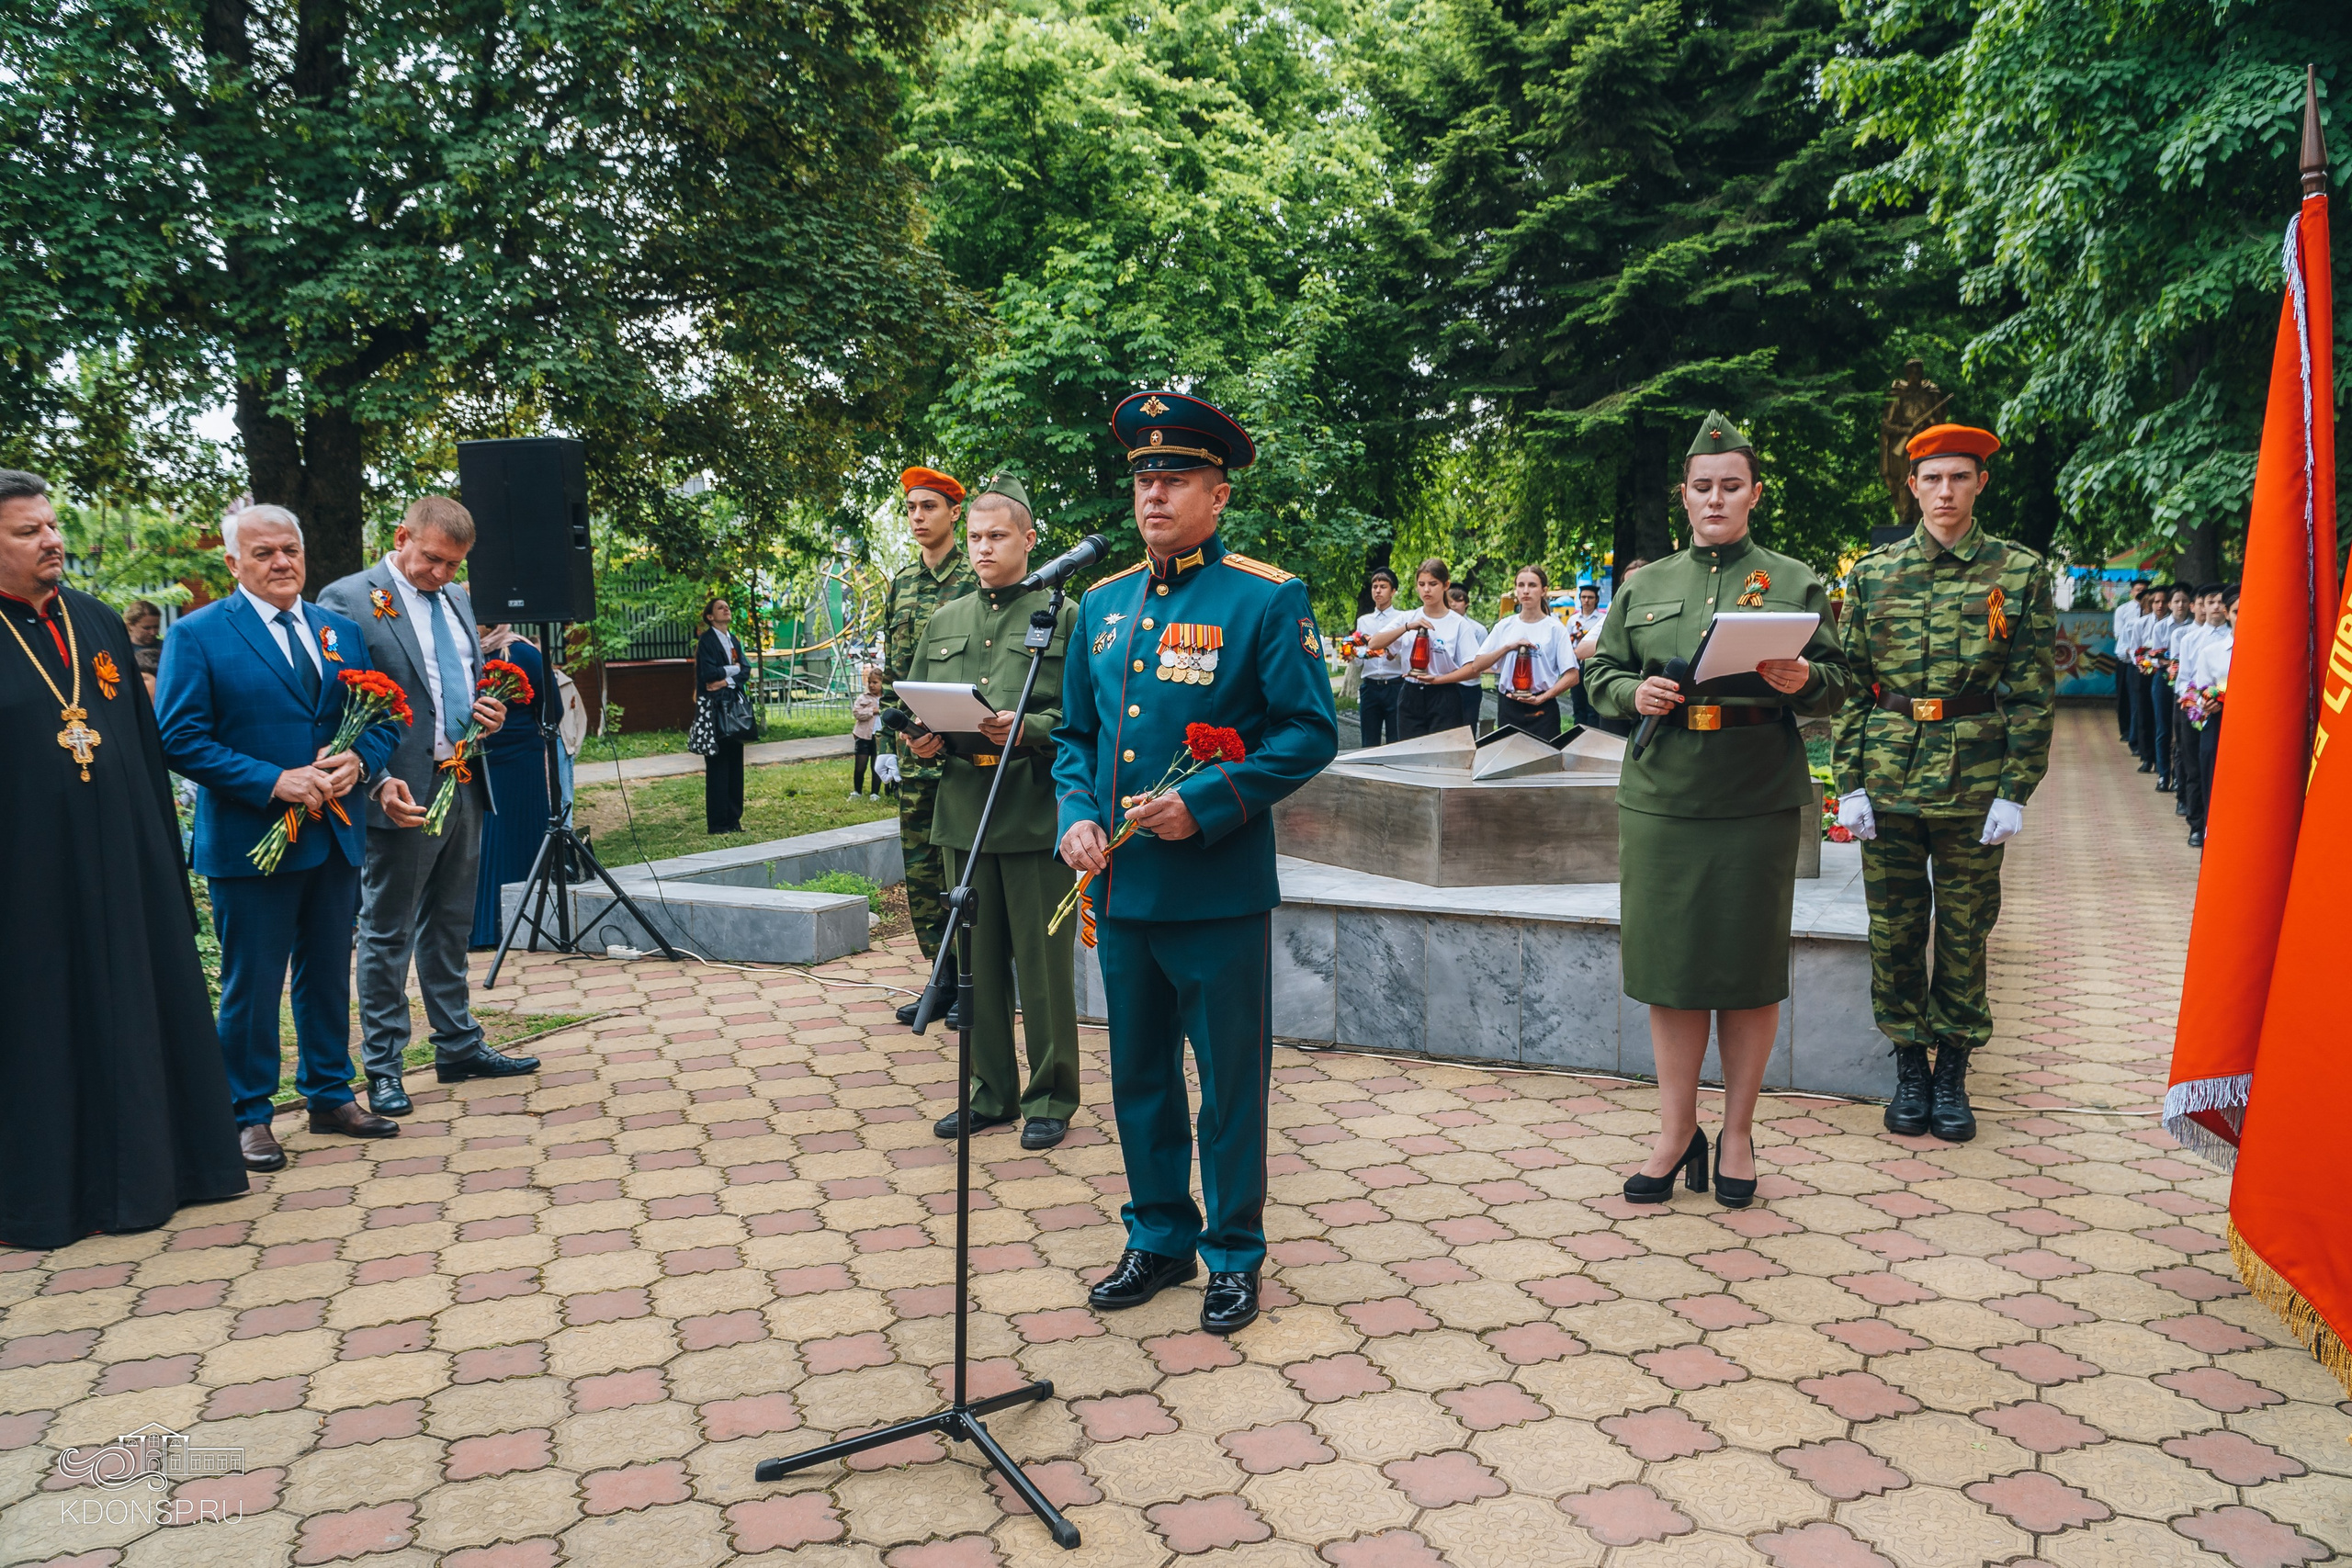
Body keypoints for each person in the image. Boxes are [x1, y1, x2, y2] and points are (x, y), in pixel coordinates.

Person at [1057, 389, 1339, 1335]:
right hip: (1125, 886)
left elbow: (1308, 733)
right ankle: (1159, 1238)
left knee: (1226, 1083)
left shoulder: (1265, 596)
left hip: (1216, 890)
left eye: (1174, 477)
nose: (1153, 494)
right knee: (1136, 1074)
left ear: (1217, 496)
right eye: (1142, 478)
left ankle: (1232, 1252)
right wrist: (1075, 817)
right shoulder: (1099, 604)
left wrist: (1208, 802)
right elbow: (1075, 736)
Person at [1583, 412, 1850, 1207]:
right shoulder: (1645, 584)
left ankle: (1736, 1131)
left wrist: (1806, 681)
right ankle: (1674, 1132)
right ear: (1685, 495)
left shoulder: (1795, 580)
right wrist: (1635, 691)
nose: (1715, 499)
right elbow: (1600, 673)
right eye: (1702, 487)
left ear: (1754, 494)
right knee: (1672, 970)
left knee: (1745, 971)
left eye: (1731, 485)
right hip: (1664, 794)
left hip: (1755, 792)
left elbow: (1840, 678)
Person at [0, 470, 248, 1248]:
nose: (52, 539)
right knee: (44, 1025)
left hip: (124, 865)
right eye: (28, 531)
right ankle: (48, 1198)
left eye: (51, 525)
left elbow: (143, 749)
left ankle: (157, 1174)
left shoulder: (98, 622)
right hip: (26, 876)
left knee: (139, 1007)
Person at [157, 503, 408, 1168]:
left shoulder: (339, 631)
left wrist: (363, 761)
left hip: (334, 836)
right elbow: (178, 737)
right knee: (253, 983)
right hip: (251, 840)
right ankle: (246, 1113)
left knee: (327, 973)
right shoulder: (200, 634)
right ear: (233, 561)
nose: (281, 562)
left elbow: (381, 717)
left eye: (290, 550)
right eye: (264, 552)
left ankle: (329, 1093)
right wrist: (274, 781)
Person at [1833, 423, 2054, 1145]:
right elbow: (1850, 688)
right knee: (1895, 931)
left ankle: (1953, 1066)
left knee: (1964, 930)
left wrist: (2016, 788)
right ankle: (1909, 1065)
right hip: (1890, 776)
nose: (1945, 492)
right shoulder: (1872, 574)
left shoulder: (2018, 572)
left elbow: (2029, 691)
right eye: (1932, 479)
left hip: (1974, 779)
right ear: (1913, 485)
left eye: (1959, 477)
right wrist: (1850, 784)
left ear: (1980, 483)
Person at [317, 500, 535, 1116]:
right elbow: (340, 707)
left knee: (450, 925)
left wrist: (485, 714)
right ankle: (383, 1066)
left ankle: (458, 1044)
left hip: (463, 780)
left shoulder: (459, 600)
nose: (441, 574)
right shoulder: (350, 598)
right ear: (401, 537)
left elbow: (457, 683)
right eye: (432, 559)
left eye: (453, 564)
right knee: (387, 934)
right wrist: (375, 776)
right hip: (399, 791)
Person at [902, 476, 1081, 1150]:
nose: (982, 548)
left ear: (1028, 540)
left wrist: (1028, 728)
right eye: (975, 536)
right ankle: (990, 1092)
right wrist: (917, 737)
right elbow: (922, 707)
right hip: (964, 811)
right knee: (975, 965)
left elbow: (1079, 719)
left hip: (1033, 813)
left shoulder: (1063, 614)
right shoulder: (944, 619)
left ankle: (1051, 1095)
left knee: (1040, 967)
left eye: (996, 535)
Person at [884, 468, 981, 1025]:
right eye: (912, 508)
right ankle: (941, 978)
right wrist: (891, 735)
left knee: (962, 870)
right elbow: (898, 670)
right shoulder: (902, 583)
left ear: (953, 514)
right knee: (921, 872)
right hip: (915, 751)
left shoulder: (977, 578)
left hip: (964, 751)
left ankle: (979, 980)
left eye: (929, 507)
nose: (918, 517)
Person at [1421, 565, 1581, 741]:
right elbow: (1478, 664)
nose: (1526, 591)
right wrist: (1507, 648)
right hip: (1509, 704)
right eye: (1521, 585)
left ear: (1544, 591)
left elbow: (1572, 675)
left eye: (1532, 585)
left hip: (1542, 707)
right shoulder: (1505, 626)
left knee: (1543, 763)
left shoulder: (1555, 628)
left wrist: (1543, 697)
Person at [467, 625, 554, 947]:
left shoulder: (520, 653)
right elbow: (551, 710)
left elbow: (550, 710)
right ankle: (488, 928)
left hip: (518, 763)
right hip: (476, 760)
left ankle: (501, 927)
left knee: (506, 838)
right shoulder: (463, 652)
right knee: (485, 841)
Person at [1365, 559, 1477, 739]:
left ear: (1445, 585)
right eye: (1421, 584)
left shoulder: (1458, 624)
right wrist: (1408, 627)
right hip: (1411, 693)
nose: (1426, 590)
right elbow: (1374, 643)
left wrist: (1439, 680)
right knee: (1411, 753)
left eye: (1433, 584)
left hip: (1444, 694)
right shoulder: (1408, 618)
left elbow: (1472, 668)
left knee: (1441, 754)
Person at [2184, 585, 2237, 849]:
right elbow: (2199, 691)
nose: (2242, 617)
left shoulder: (2264, 650)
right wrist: (2207, 703)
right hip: (2217, 725)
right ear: (2228, 614)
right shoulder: (2211, 653)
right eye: (2237, 612)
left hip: (2249, 727)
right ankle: (2208, 833)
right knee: (2211, 780)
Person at [692, 596, 751, 833]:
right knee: (718, 765)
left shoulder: (733, 639)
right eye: (720, 607)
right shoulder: (706, 642)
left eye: (727, 606)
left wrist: (726, 679)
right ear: (710, 616)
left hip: (734, 708)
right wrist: (732, 673)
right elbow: (707, 673)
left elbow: (745, 669)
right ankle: (718, 823)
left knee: (736, 764)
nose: (726, 609)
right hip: (714, 710)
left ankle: (733, 819)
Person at [1350, 568, 1408, 749]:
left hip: (1395, 685)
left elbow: (1406, 652)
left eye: (1383, 586)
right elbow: (1360, 656)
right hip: (1370, 685)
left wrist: (1394, 654)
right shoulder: (1364, 620)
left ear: (1393, 591)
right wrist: (1352, 655)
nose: (1377, 591)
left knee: (1396, 740)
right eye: (1374, 586)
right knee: (1368, 741)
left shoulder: (1402, 619)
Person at [1446, 581, 1489, 730]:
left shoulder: (1478, 630)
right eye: (1450, 601)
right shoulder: (1439, 626)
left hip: (1469, 687)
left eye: (1458, 600)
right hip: (1446, 685)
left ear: (1466, 603)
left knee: (1468, 729)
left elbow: (1483, 660)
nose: (1453, 605)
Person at [2110, 579, 2144, 745]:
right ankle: (2125, 729)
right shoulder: (2123, 610)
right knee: (2124, 695)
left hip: (2145, 660)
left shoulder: (2150, 611)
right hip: (2125, 656)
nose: (2141, 593)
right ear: (2132, 592)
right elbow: (2118, 634)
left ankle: (2136, 732)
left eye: (2144, 590)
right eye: (2138, 590)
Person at [1567, 581, 1604, 729]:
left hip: (1594, 665)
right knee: (1578, 703)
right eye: (1583, 597)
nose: (1586, 601)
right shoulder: (1572, 620)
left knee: (1592, 706)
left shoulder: (1602, 619)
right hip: (1577, 664)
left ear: (1596, 599)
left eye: (1590, 597)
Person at [851, 666, 882, 798]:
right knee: (860, 766)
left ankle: (875, 793)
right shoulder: (864, 698)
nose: (872, 685)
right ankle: (857, 791)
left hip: (879, 736)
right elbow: (857, 713)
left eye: (875, 682)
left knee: (876, 766)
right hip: (863, 736)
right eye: (869, 682)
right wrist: (872, 711)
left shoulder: (886, 699)